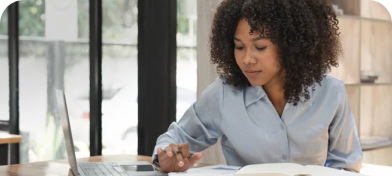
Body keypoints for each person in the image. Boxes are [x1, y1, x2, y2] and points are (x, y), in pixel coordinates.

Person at [152, 0, 363, 173]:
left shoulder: (330, 93)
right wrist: (166, 157)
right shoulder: (224, 93)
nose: (246, 59)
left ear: (291, 45)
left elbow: (346, 166)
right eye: (239, 47)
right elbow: (175, 138)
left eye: (260, 47)